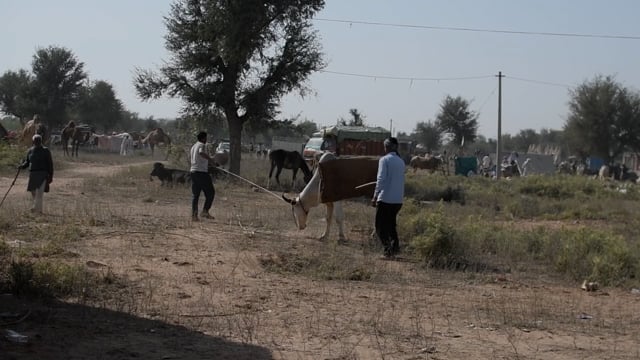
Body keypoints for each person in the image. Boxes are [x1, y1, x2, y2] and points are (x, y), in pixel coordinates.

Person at [371, 137, 405, 259]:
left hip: (385, 198)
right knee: (391, 226)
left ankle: (388, 250)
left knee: (380, 227)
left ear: (388, 147)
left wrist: (375, 196)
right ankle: (395, 248)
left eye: (385, 146)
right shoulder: (401, 162)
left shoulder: (384, 160)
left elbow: (381, 180)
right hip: (398, 200)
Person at [18, 134, 54, 214]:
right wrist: (21, 166)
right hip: (33, 174)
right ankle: (36, 207)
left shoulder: (46, 150)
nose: (37, 142)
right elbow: (27, 162)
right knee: (33, 192)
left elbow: (50, 164)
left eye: (38, 140)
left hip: (43, 174)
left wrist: (51, 176)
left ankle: (37, 210)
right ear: (33, 142)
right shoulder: (30, 150)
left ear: (41, 141)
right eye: (35, 141)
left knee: (39, 193)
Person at [190, 131, 215, 221]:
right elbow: (201, 153)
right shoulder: (202, 145)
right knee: (211, 192)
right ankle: (205, 211)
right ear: (204, 138)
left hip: (193, 171)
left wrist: (207, 163)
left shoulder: (193, 146)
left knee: (195, 195)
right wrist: (211, 160)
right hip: (201, 173)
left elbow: (198, 158)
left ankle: (194, 216)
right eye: (206, 138)